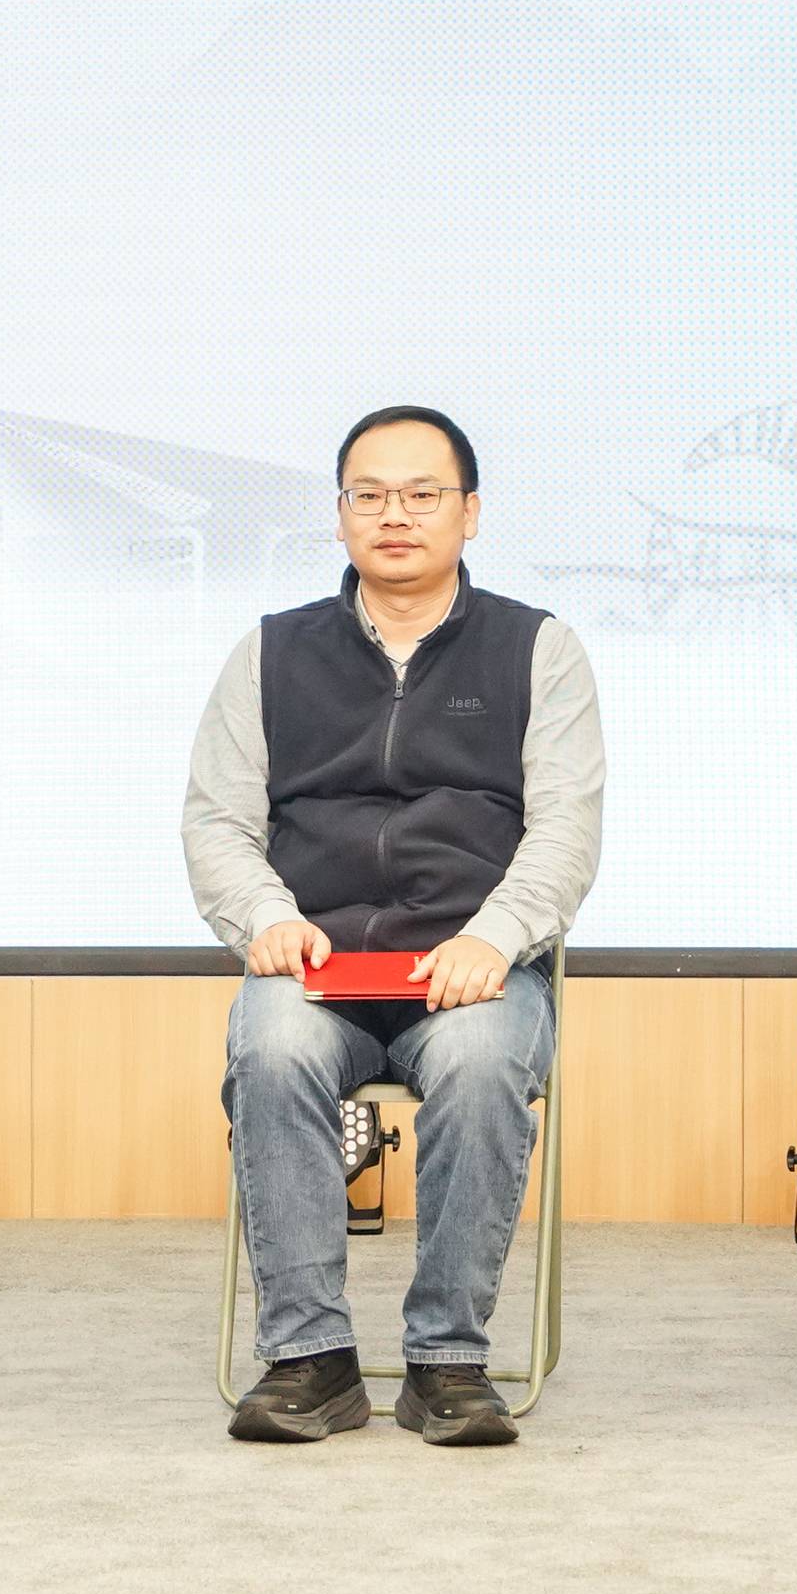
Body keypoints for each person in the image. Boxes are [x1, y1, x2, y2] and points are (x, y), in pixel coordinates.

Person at [195, 405, 602, 1448]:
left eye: (423, 493)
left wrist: (494, 936)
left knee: (480, 1060)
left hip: (470, 967)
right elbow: (217, 821)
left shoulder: (538, 648)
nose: (395, 514)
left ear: (469, 512)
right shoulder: (270, 650)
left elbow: (564, 827)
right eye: (369, 494)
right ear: (339, 515)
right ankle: (309, 1357)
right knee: (272, 1046)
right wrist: (267, 918)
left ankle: (446, 1361)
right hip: (317, 963)